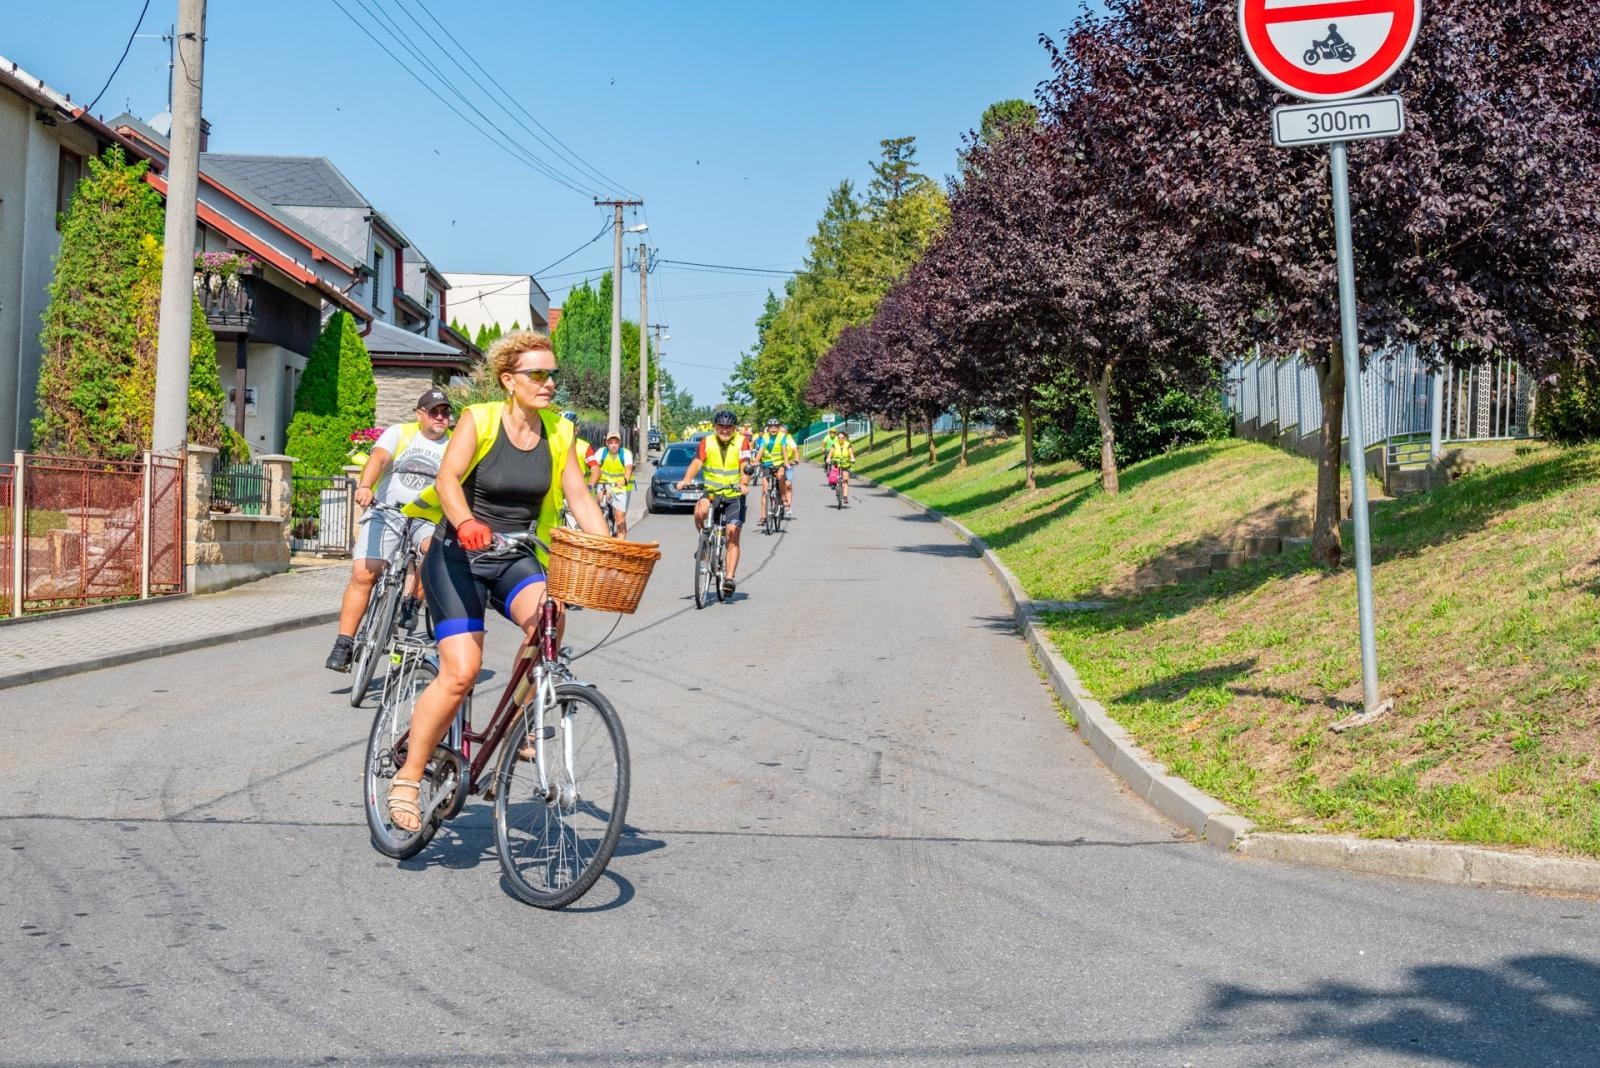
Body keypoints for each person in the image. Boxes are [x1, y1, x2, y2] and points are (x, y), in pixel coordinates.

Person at [384, 332, 611, 833]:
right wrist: (465, 523)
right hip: (458, 554)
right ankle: (408, 776)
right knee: (462, 671)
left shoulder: (559, 432)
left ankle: (514, 727)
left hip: (514, 554)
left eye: (552, 374)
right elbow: (447, 480)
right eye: (537, 374)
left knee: (551, 619)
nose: (548, 383)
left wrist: (608, 547)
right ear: (509, 380)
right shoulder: (479, 419)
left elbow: (579, 497)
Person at [325, 389, 452, 671]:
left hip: (428, 517)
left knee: (435, 551)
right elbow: (380, 459)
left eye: (445, 412)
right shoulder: (400, 432)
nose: (440, 417)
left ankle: (412, 601)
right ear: (420, 414)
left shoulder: (455, 443)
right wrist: (366, 486)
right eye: (434, 412)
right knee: (364, 572)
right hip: (389, 510)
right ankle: (343, 644)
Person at [676, 409, 750, 597]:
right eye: (721, 427)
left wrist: (744, 483)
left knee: (733, 533)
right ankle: (704, 542)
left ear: (734, 428)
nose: (724, 430)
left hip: (734, 495)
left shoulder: (742, 441)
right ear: (715, 427)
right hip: (713, 492)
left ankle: (730, 578)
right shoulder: (706, 442)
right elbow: (697, 463)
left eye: (728, 427)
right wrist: (686, 479)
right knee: (700, 510)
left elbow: (745, 464)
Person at [591, 430, 636, 539]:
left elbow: (629, 468)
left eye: (616, 442)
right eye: (611, 442)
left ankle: (621, 544)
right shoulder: (601, 453)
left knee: (620, 518)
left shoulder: (625, 453)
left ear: (619, 443)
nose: (613, 445)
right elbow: (594, 466)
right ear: (607, 443)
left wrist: (624, 480)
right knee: (597, 501)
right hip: (604, 484)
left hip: (621, 487)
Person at [752, 417, 797, 526]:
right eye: (771, 427)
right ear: (768, 428)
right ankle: (763, 517)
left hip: (779, 463)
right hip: (767, 464)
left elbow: (784, 450)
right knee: (764, 490)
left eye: (775, 427)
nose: (773, 429)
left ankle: (783, 497)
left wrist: (786, 462)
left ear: (778, 428)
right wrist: (756, 461)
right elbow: (761, 450)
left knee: (781, 477)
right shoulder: (765, 437)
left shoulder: (782, 436)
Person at [827, 429, 855, 505]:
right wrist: (828, 458)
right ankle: (834, 484)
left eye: (842, 437)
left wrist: (852, 458)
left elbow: (851, 453)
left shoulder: (848, 445)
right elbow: (830, 453)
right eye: (839, 437)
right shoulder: (834, 444)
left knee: (845, 480)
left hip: (845, 463)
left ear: (845, 438)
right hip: (836, 462)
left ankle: (845, 496)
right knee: (834, 475)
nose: (840, 439)